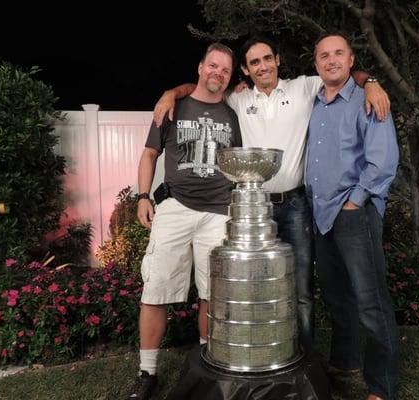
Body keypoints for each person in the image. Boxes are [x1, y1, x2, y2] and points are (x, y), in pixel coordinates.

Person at [152, 36, 390, 350]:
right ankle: (265, 351)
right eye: (254, 62)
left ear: (277, 60)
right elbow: (203, 86)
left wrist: (371, 82)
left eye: (267, 58)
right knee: (255, 286)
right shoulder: (236, 99)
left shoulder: (304, 88)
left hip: (295, 206)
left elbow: (342, 74)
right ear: (246, 72)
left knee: (301, 289)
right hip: (253, 207)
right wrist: (171, 93)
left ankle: (302, 357)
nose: (262, 66)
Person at [128, 43, 242, 400]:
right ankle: (147, 373)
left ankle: (208, 363)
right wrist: (143, 196)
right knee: (155, 290)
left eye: (225, 70)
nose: (218, 73)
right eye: (213, 66)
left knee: (214, 294)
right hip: (175, 207)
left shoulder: (231, 117)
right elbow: (149, 154)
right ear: (199, 67)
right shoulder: (173, 106)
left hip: (217, 212)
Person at [306, 33, 399, 400]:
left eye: (338, 54)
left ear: (351, 60)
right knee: (336, 297)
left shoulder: (367, 100)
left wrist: (355, 202)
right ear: (316, 65)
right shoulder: (312, 103)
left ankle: (383, 385)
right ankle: (345, 362)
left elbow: (383, 161)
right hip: (321, 215)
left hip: (353, 213)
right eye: (324, 56)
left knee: (371, 301)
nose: (331, 60)